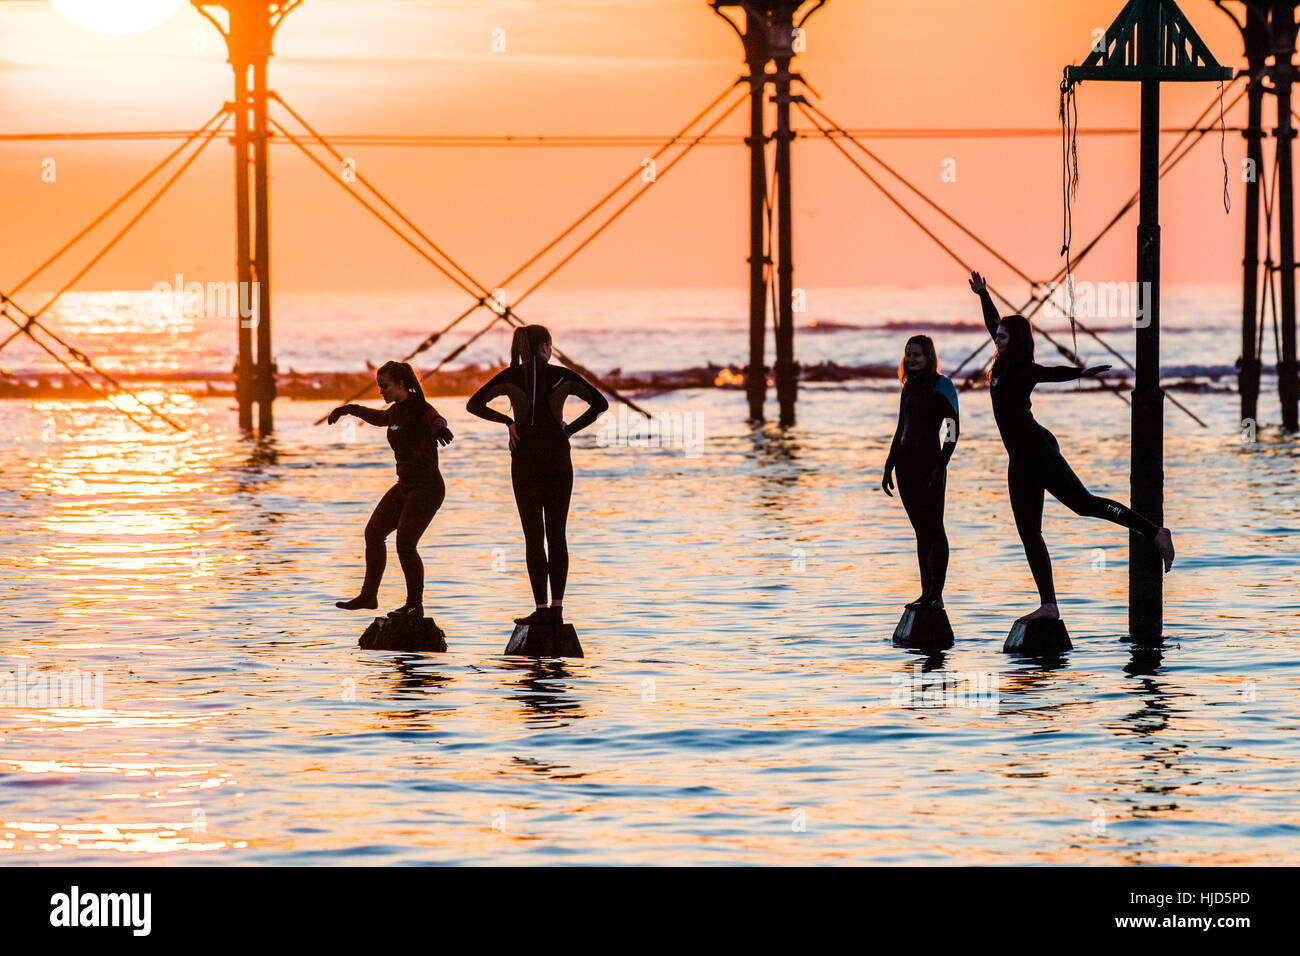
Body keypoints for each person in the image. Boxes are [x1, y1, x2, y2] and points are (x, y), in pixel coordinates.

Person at [969, 270, 1175, 622]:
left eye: (1003, 336)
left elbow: (1052, 372)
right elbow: (993, 322)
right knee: (1029, 533)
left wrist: (1081, 373)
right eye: (997, 336)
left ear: (1015, 341)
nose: (997, 339)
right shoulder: (1001, 361)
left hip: (1038, 450)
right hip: (1019, 458)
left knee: (1085, 505)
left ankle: (1155, 532)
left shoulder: (1023, 368)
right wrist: (983, 294)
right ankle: (1049, 605)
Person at [466, 325, 609, 625]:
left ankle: (541, 610)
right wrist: (568, 430)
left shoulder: (510, 376)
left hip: (525, 458)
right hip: (558, 456)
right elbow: (600, 404)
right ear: (545, 346)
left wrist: (508, 422)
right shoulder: (562, 375)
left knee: (534, 536)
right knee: (557, 534)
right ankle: (556, 610)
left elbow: (474, 404)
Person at [327, 361, 454, 618]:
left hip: (427, 488)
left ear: (400, 384)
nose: (381, 391)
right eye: (379, 387)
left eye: (384, 386)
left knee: (405, 544)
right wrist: (348, 409)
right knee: (373, 533)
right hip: (404, 486)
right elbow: (378, 417)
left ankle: (414, 606)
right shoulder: (394, 412)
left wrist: (440, 427)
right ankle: (369, 595)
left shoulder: (421, 408)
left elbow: (435, 418)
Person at [881, 334, 960, 609]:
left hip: (930, 466)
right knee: (920, 531)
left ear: (929, 357)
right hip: (905, 466)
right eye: (908, 354)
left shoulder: (942, 386)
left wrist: (941, 466)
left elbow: (952, 430)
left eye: (917, 354)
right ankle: (925, 593)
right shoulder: (908, 387)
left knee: (935, 529)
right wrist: (889, 465)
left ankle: (936, 595)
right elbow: (901, 428)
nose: (912, 359)